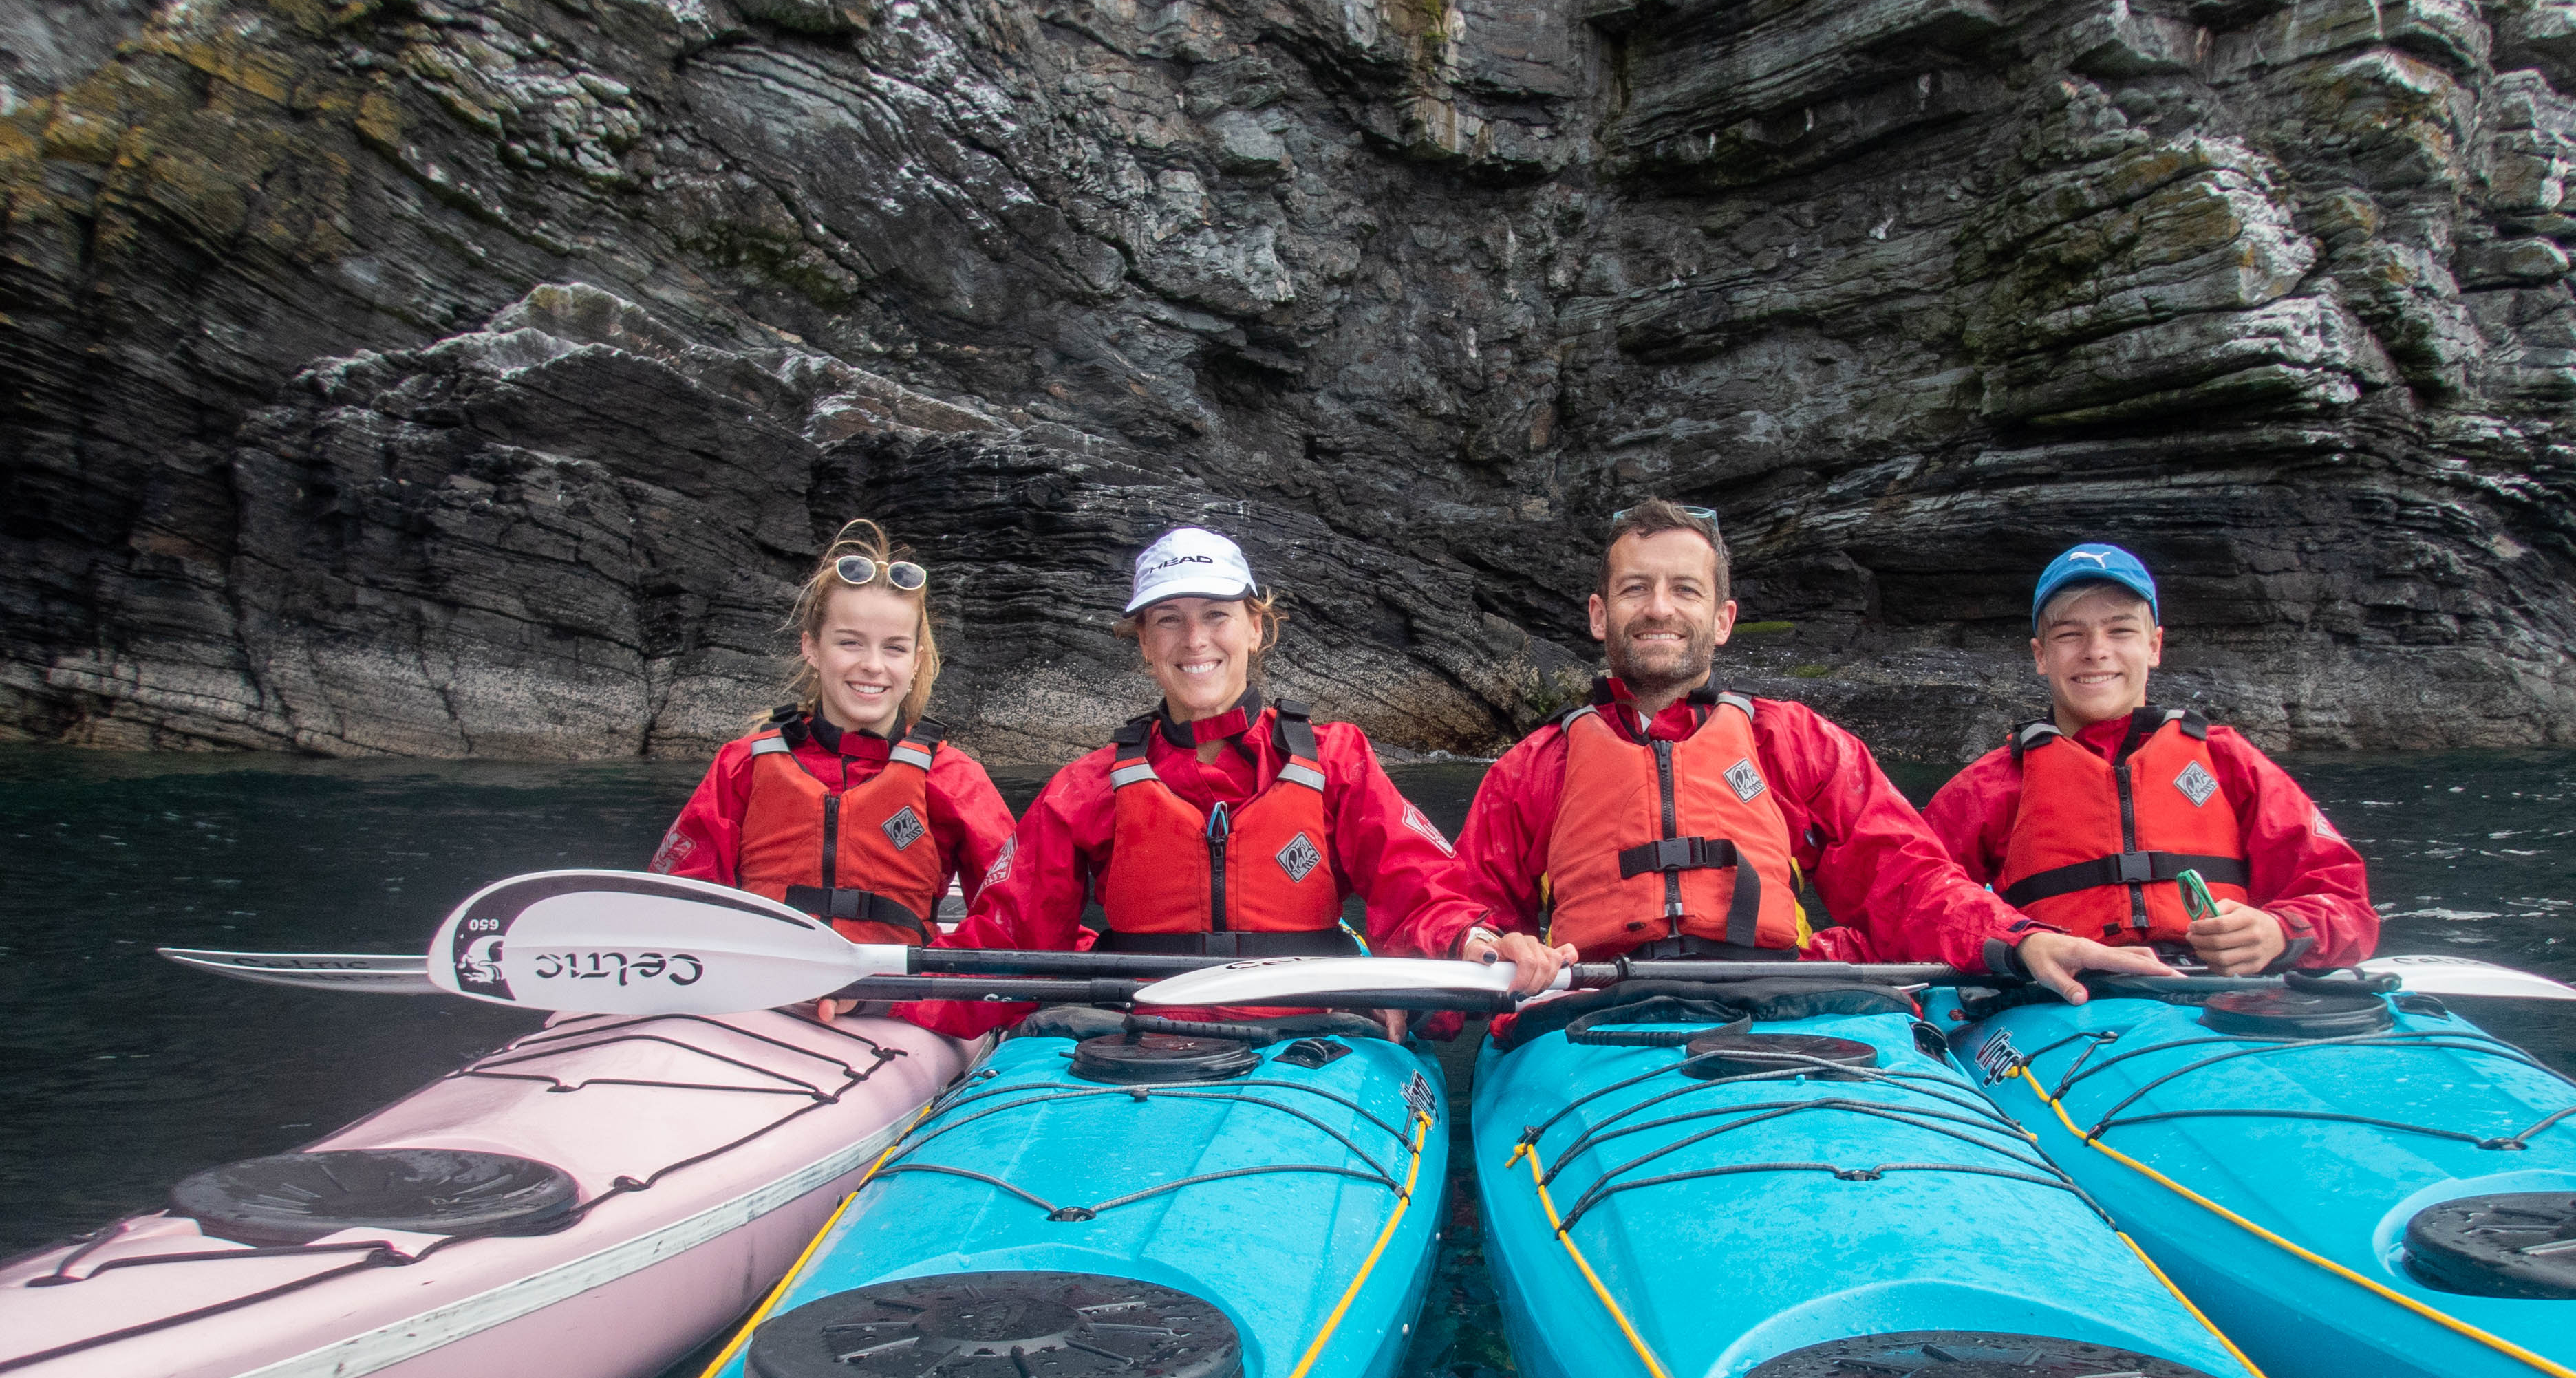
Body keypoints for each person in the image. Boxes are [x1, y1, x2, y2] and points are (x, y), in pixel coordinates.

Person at [1455, 499, 2165, 1002]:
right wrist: (1489, 945)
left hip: (1771, 997)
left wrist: (2018, 940)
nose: (1660, 609)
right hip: (1594, 1006)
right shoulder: (1534, 768)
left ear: (1723, 620)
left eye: (1685, 590)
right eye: (1636, 589)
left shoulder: (1796, 743)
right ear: (1599, 615)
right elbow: (1461, 912)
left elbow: (1909, 881)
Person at [897, 525, 1554, 1036]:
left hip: (1307, 1034)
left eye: (1215, 614)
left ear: (1255, 628)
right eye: (1168, 620)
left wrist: (1473, 940)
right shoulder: (1088, 787)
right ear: (1145, 645)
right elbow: (1010, 934)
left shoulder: (1337, 761)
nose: (1194, 639)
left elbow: (1420, 892)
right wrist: (886, 998)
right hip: (1140, 1034)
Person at [1922, 542, 2379, 974]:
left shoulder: (2228, 761)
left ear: (2154, 646)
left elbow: (2345, 903)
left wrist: (2280, 933)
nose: (2096, 651)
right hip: (2062, 1003)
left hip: (2217, 993)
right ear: (2041, 656)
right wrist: (2013, 941)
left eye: (2120, 630)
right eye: (2069, 634)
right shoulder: (1989, 786)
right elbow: (1914, 904)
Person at [650, 519, 1016, 976]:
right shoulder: (742, 765)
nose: (872, 666)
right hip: (757, 987)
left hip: (894, 998)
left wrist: (897, 1001)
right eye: (850, 643)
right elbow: (682, 897)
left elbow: (1014, 917)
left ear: (916, 662)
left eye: (895, 649)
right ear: (812, 647)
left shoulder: (954, 778)